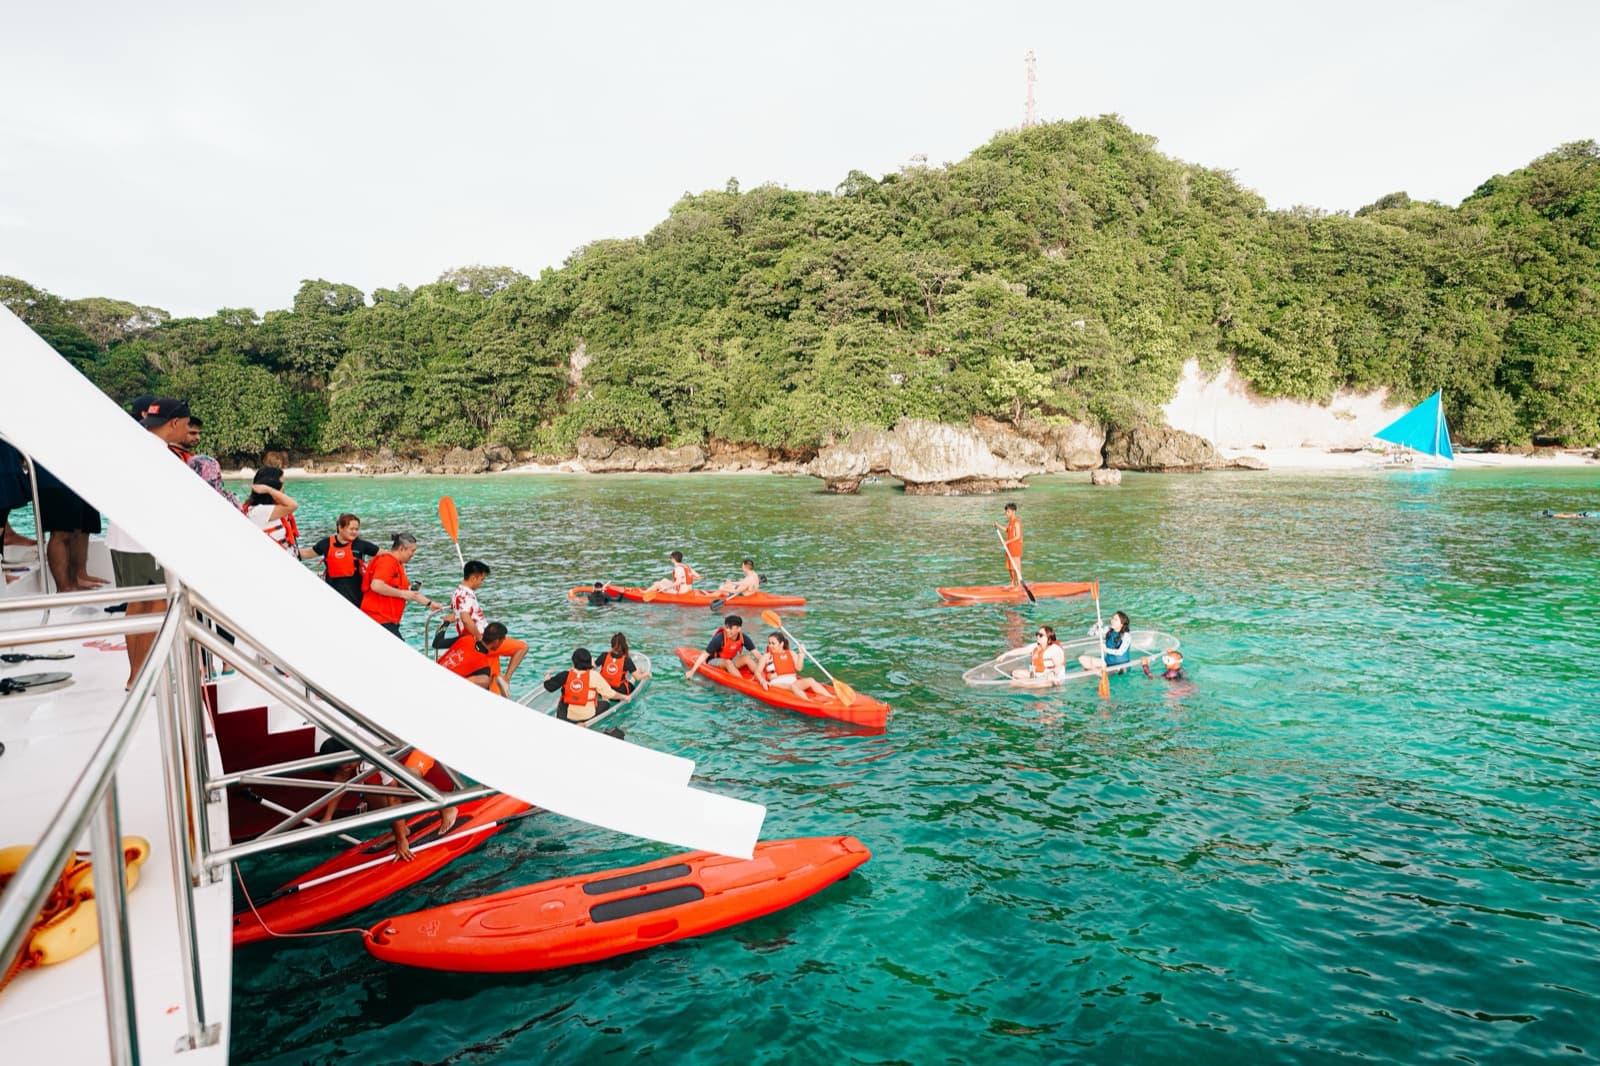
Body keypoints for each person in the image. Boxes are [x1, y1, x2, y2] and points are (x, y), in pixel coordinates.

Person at [106, 398, 194, 686]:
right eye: (187, 425)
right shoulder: (160, 455)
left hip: (121, 537)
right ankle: (142, 676)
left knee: (136, 605)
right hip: (146, 542)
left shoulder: (132, 445)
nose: (187, 432)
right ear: (174, 423)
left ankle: (135, 674)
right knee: (156, 604)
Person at [448, 559, 528, 689]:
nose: (481, 583)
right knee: (522, 647)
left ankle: (496, 689)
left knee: (492, 669)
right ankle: (506, 679)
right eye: (481, 579)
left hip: (469, 640)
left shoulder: (457, 592)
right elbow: (466, 618)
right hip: (481, 639)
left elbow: (458, 613)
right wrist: (479, 636)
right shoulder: (467, 595)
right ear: (473, 578)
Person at [35, 462, 105, 592]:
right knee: (62, 531)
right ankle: (64, 587)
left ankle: (78, 577)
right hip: (54, 475)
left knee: (82, 528)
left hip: (80, 473)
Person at [360, 532, 442, 639]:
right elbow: (376, 585)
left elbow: (408, 592)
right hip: (378, 619)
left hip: (389, 620)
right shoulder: (387, 561)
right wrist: (402, 593)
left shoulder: (398, 564)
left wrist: (429, 603)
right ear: (402, 548)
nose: (413, 554)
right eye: (412, 551)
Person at [300, 513, 380, 607]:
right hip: (333, 595)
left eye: (357, 529)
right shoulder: (326, 544)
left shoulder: (361, 545)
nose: (354, 532)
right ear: (340, 528)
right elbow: (306, 553)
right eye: (351, 529)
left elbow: (386, 555)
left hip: (356, 597)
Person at [542, 648, 630, 722]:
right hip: (586, 716)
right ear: (589, 661)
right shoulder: (594, 676)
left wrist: (547, 675)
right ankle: (581, 722)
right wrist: (624, 697)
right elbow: (610, 694)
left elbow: (549, 687)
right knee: (606, 702)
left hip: (565, 716)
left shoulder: (565, 675)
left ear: (573, 662)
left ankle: (572, 721)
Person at [438, 621, 520, 697]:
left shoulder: (465, 638)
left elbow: (437, 643)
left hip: (435, 675)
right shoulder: (483, 666)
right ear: (496, 641)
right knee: (485, 680)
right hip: (445, 691)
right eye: (502, 640)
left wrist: (446, 622)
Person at [756, 632, 831, 701]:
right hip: (777, 683)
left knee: (810, 680)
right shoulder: (767, 656)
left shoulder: (791, 653)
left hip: (793, 681)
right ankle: (809, 702)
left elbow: (799, 668)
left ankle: (831, 697)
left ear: (781, 644)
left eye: (773, 643)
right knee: (794, 686)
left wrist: (801, 655)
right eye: (769, 643)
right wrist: (762, 681)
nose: (770, 646)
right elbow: (758, 671)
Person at [685, 615, 759, 679]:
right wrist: (692, 671)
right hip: (714, 660)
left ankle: (761, 677)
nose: (727, 630)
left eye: (730, 628)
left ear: (739, 629)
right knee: (728, 662)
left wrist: (764, 664)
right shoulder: (719, 638)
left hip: (730, 659)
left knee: (747, 658)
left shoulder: (743, 638)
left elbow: (755, 653)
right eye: (727, 627)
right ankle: (743, 683)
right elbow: (704, 655)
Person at [242, 466, 299, 551]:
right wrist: (269, 490)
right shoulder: (258, 511)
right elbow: (293, 505)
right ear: (273, 485)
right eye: (282, 483)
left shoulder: (271, 509)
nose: (284, 487)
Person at [995, 502, 1023, 589]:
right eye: (1006, 512)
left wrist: (1007, 542)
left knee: (1016, 567)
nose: (1006, 513)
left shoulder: (1017, 522)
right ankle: (1012, 583)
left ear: (1013, 511)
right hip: (1009, 548)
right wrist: (998, 526)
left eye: (1008, 512)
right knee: (1010, 567)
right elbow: (1008, 530)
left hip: (1015, 548)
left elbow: (1018, 536)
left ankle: (1018, 584)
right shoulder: (1010, 522)